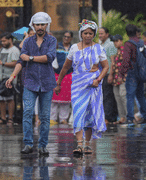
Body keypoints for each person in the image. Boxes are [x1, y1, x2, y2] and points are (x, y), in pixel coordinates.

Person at [6, 12, 57, 155]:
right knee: (27, 113)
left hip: (47, 83)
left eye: (42, 24)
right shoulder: (27, 42)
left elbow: (49, 57)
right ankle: (28, 144)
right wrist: (12, 76)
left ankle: (42, 145)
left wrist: (30, 57)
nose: (40, 27)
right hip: (30, 82)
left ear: (47, 25)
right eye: (37, 24)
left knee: (45, 116)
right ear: (33, 25)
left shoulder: (52, 40)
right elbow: (21, 61)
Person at [55, 19, 109, 154]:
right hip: (78, 86)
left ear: (94, 34)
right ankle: (79, 144)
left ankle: (88, 144)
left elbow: (106, 66)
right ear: (81, 34)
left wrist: (99, 79)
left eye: (91, 33)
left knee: (90, 114)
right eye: (85, 33)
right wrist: (58, 83)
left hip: (94, 86)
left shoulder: (98, 48)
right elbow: (65, 67)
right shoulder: (74, 48)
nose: (88, 36)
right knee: (78, 112)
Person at [118, 24, 146, 125]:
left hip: (132, 73)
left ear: (127, 33)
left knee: (130, 96)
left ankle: (130, 118)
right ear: (136, 32)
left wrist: (121, 74)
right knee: (140, 95)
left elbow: (126, 60)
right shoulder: (141, 42)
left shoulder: (128, 44)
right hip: (141, 72)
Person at [0, 33, 20, 125]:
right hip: (0, 77)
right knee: (0, 98)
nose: (3, 43)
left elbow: (16, 63)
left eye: (4, 41)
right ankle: (3, 117)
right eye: (2, 41)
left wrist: (2, 63)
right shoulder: (1, 50)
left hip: (9, 77)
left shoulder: (15, 50)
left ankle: (10, 118)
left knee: (9, 98)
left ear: (10, 40)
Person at [50, 31, 73, 125]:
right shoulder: (57, 47)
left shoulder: (73, 48)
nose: (66, 38)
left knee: (66, 99)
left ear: (71, 38)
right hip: (56, 74)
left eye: (68, 37)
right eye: (65, 36)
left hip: (68, 75)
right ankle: (52, 118)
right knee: (54, 97)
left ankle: (63, 118)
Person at [98, 27, 118, 124]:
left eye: (102, 33)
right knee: (105, 95)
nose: (100, 35)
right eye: (99, 34)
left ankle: (108, 118)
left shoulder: (110, 45)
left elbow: (113, 60)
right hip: (102, 74)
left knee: (108, 96)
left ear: (107, 34)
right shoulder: (101, 45)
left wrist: (111, 74)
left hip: (108, 74)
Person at [109, 34, 127, 124]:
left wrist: (122, 76)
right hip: (115, 78)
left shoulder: (125, 51)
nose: (115, 43)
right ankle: (122, 117)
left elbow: (125, 65)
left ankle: (128, 116)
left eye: (116, 41)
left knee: (123, 96)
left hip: (123, 78)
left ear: (121, 41)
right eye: (114, 42)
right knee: (118, 98)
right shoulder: (117, 52)